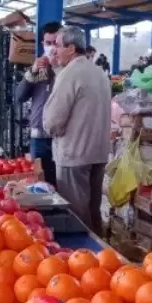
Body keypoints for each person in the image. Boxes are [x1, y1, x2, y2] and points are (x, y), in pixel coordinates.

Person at [43, 26, 112, 236]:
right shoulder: (98, 72)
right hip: (98, 153)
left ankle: (85, 261)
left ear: (71, 48)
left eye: (57, 45)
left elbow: (53, 121)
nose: (54, 50)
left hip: (75, 154)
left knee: (77, 216)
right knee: (93, 211)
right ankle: (103, 257)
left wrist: (50, 129)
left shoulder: (70, 74)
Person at [14, 21, 62, 187]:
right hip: (38, 138)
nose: (51, 48)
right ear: (42, 44)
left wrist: (57, 67)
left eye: (55, 43)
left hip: (60, 138)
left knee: (59, 185)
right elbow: (19, 97)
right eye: (48, 43)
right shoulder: (37, 69)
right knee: (39, 185)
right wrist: (32, 72)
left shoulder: (67, 70)